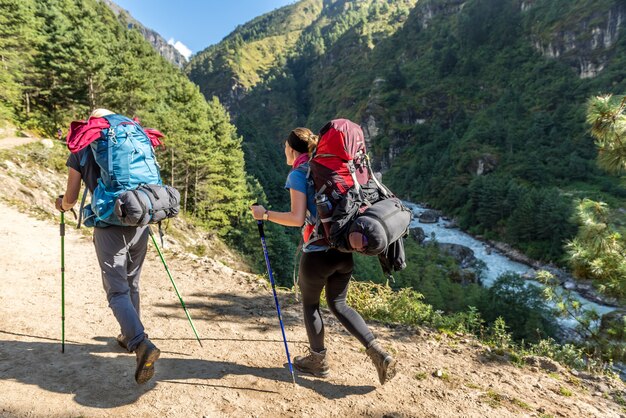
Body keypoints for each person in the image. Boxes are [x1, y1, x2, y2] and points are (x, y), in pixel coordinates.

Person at [250, 128, 397, 385]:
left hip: (317, 255)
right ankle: (378, 352)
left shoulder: (298, 173)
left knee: (310, 305)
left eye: (286, 146)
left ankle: (318, 361)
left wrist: (264, 214)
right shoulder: (328, 169)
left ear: (292, 149)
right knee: (339, 304)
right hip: (342, 251)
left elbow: (297, 219)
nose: (284, 150)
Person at [55, 108, 160, 385]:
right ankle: (129, 335)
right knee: (132, 282)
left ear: (93, 122)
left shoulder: (82, 145)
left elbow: (71, 197)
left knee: (116, 290)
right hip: (141, 217)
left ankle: (140, 342)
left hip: (109, 224)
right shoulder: (133, 139)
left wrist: (61, 205)